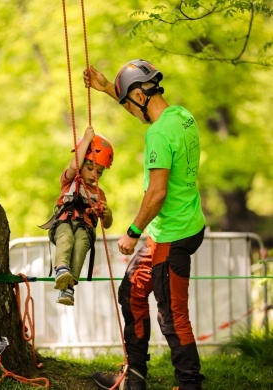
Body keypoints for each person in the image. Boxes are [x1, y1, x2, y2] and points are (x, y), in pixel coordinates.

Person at [83, 60, 206, 390]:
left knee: (172, 315)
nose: (129, 109)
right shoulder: (180, 116)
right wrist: (108, 87)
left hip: (172, 235)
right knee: (132, 292)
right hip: (181, 225)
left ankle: (190, 384)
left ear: (139, 94)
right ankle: (134, 377)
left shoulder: (157, 134)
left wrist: (132, 232)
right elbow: (142, 111)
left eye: (128, 101)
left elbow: (157, 193)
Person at [44, 125, 114, 306]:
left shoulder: (99, 193)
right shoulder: (70, 180)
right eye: (90, 168)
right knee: (66, 237)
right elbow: (75, 165)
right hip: (63, 223)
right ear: (82, 163)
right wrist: (85, 140)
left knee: (82, 243)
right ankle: (61, 269)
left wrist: (107, 214)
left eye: (99, 172)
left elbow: (107, 224)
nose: (95, 175)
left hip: (85, 227)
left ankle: (68, 286)